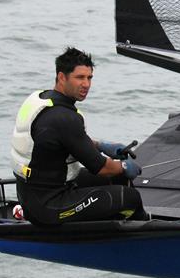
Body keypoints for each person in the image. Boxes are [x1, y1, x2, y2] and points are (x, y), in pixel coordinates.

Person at [11, 47, 148, 225]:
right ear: (61, 77)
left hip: (31, 195)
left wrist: (100, 145)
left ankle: (111, 221)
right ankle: (145, 234)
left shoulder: (42, 100)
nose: (86, 84)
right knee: (130, 197)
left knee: (118, 179)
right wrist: (123, 165)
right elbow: (101, 167)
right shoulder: (65, 118)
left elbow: (62, 139)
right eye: (80, 77)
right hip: (48, 207)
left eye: (89, 77)